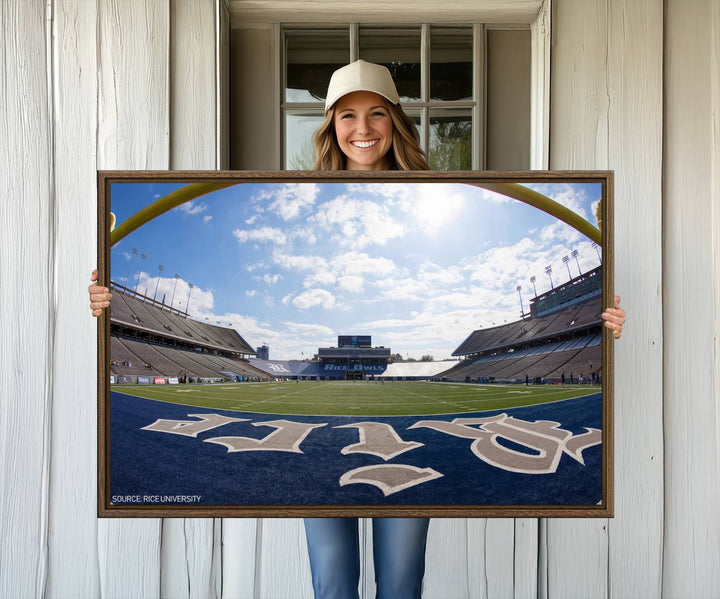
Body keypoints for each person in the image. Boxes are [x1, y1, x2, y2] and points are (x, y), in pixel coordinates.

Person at [88, 59, 627, 599]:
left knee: (400, 581)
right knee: (333, 582)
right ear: (330, 126)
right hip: (316, 456)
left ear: (395, 120)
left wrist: (604, 322)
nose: (362, 129)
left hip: (404, 458)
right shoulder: (296, 195)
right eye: (347, 115)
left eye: (376, 114)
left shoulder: (440, 196)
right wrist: (105, 299)